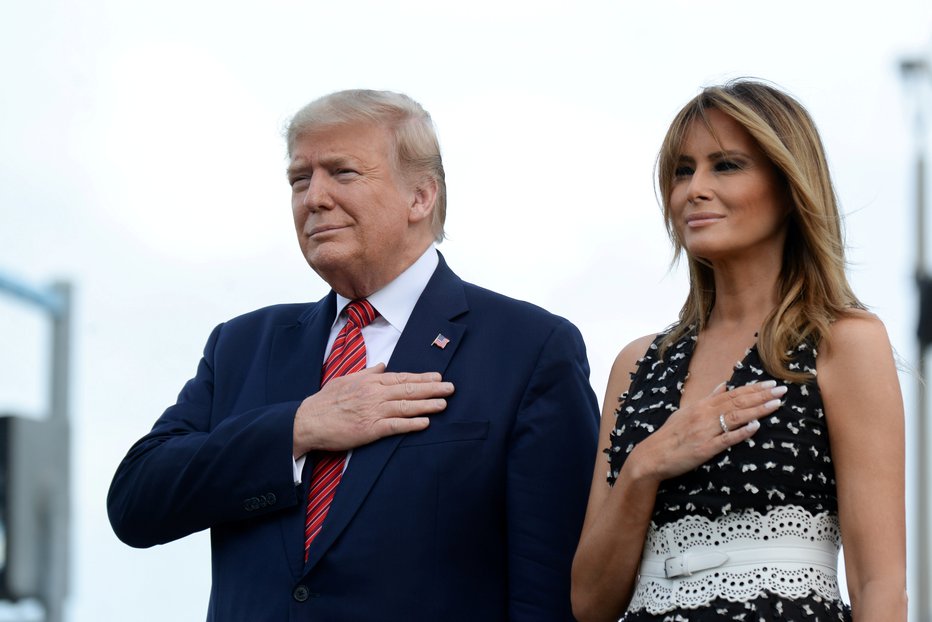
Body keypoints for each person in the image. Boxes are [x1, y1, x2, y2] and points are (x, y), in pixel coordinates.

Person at [107, 89, 600, 621]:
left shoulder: (528, 348)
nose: (313, 198)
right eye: (300, 178)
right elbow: (136, 501)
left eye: (342, 173)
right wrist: (297, 428)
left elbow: (551, 589)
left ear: (421, 197)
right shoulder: (242, 345)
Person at [572, 80, 907, 622]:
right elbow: (589, 604)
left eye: (725, 165)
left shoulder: (843, 341)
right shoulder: (637, 365)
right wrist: (647, 464)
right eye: (683, 170)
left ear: (789, 184)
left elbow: (880, 586)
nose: (694, 189)